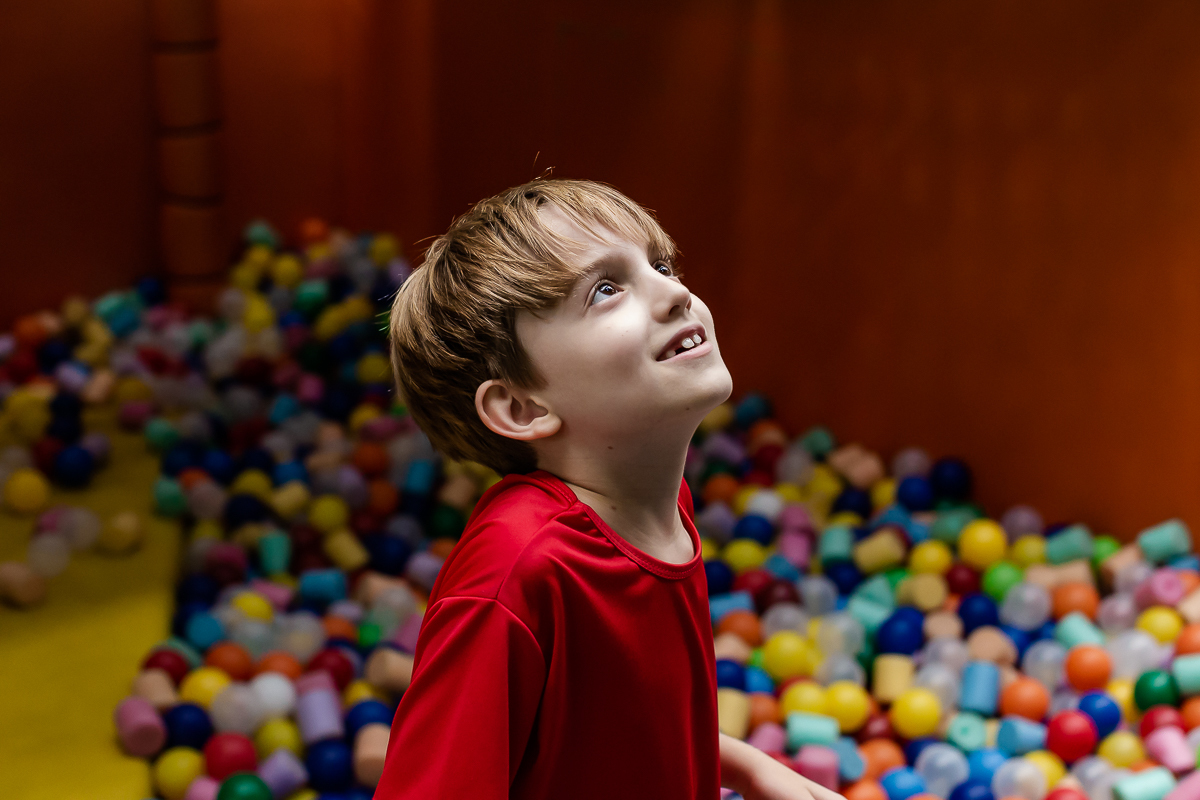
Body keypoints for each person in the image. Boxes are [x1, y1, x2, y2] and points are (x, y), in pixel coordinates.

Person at [378, 177, 843, 800]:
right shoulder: (515, 571)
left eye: (660, 264)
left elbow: (620, 731)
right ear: (521, 407)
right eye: (605, 289)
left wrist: (745, 767)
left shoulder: (655, 500)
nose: (676, 293)